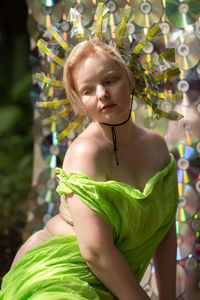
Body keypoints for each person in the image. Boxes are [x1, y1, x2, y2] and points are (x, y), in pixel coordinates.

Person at [0, 38, 178, 300]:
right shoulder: (86, 153)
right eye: (88, 90)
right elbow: (95, 251)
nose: (102, 94)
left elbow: (164, 230)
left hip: (112, 278)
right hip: (58, 271)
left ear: (130, 80)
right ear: (81, 103)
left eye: (109, 80)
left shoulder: (157, 147)